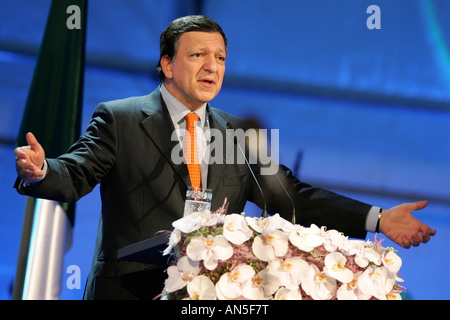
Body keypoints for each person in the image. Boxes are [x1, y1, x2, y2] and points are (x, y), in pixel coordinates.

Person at [14, 15, 436, 300]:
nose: (211, 67)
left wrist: (377, 218)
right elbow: (77, 172)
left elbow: (291, 196)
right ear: (167, 63)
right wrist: (41, 170)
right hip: (129, 292)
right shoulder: (120, 118)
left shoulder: (239, 134)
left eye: (220, 58)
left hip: (208, 297)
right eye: (198, 55)